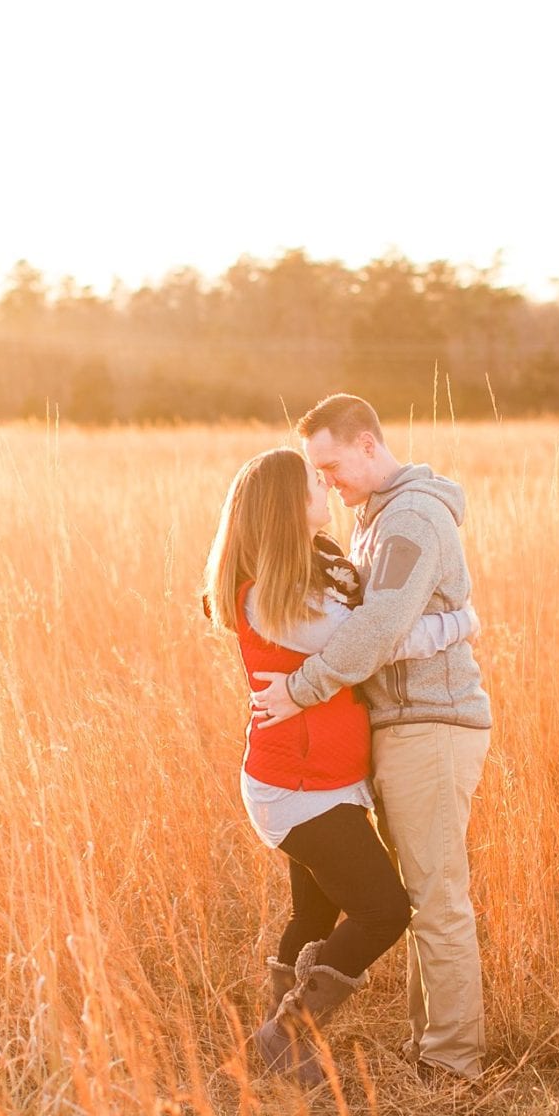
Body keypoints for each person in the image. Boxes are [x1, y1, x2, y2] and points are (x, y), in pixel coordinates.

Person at [202, 446, 480, 1083]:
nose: (324, 485)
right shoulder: (273, 598)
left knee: (314, 915)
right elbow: (372, 644)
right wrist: (456, 624)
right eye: (312, 482)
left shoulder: (308, 575)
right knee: (384, 911)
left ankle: (277, 1056)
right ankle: (282, 1042)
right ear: (289, 506)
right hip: (299, 788)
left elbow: (362, 633)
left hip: (319, 779)